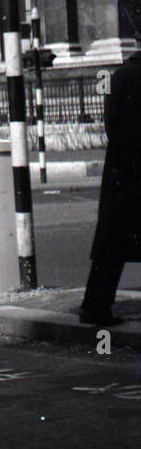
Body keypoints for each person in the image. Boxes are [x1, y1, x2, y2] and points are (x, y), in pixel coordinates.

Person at [80, 49, 141, 326]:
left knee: (111, 244)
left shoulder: (117, 78)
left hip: (120, 169)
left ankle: (94, 307)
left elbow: (110, 125)